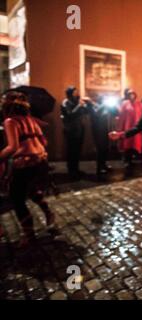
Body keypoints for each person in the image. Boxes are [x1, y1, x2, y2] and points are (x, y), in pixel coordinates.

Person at [0, 91, 55, 247]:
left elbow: (12, 147)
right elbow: (44, 142)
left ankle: (29, 235)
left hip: (25, 164)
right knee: (31, 191)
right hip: (40, 162)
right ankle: (48, 212)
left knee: (17, 199)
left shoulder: (10, 121)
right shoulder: (31, 120)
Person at [60, 86, 88, 180]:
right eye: (75, 92)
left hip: (79, 129)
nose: (77, 93)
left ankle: (76, 169)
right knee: (71, 151)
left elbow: (84, 112)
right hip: (71, 130)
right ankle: (71, 171)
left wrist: (84, 106)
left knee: (77, 151)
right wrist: (79, 106)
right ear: (70, 93)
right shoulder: (66, 102)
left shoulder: (76, 102)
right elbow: (69, 114)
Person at [116, 89, 142, 169]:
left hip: (136, 127)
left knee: (136, 144)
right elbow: (121, 116)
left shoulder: (140, 104)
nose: (132, 95)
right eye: (130, 94)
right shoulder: (125, 104)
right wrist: (120, 128)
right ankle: (127, 160)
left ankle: (135, 160)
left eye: (133, 94)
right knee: (127, 144)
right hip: (127, 126)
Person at [87, 96, 112, 176]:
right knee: (100, 149)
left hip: (104, 130)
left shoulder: (101, 107)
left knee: (105, 148)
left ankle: (104, 165)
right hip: (97, 130)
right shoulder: (91, 106)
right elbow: (96, 114)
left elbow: (114, 112)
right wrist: (103, 105)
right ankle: (99, 168)